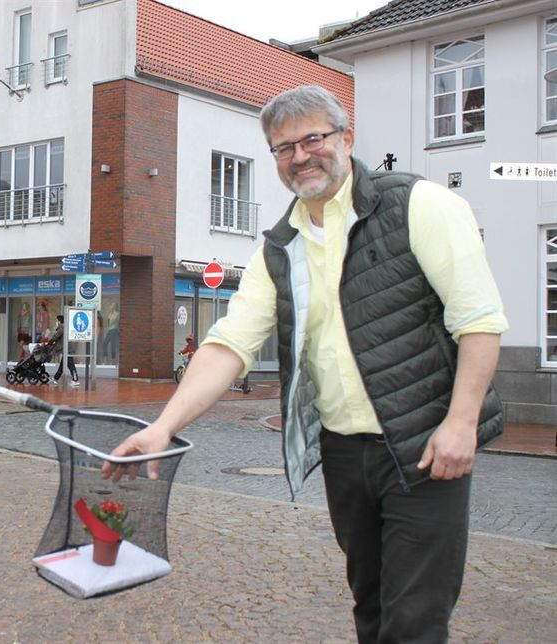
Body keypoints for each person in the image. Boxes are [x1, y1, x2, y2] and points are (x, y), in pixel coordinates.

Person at [103, 85, 507, 643]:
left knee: (415, 617)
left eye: (313, 138)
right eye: (283, 147)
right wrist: (164, 426)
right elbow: (229, 344)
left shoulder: (421, 206)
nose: (300, 156)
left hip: (424, 446)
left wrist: (461, 422)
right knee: (370, 604)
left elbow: (479, 320)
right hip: (343, 451)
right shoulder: (280, 244)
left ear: (346, 137)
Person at [47, 314, 79, 385]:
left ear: (59, 321)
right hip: (66, 349)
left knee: (71, 365)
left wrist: (49, 342)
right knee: (62, 365)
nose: (56, 322)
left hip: (67, 350)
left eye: (56, 320)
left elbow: (55, 337)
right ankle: (55, 378)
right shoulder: (64, 327)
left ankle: (75, 380)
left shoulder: (62, 328)